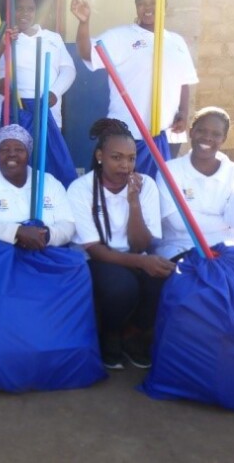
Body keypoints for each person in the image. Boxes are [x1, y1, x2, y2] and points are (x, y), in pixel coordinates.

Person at [67, 118, 174, 370]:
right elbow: (93, 248)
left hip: (134, 253)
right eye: (117, 157)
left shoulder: (144, 185)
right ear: (100, 156)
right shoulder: (81, 189)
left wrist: (134, 203)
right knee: (121, 287)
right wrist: (140, 262)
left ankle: (133, 332)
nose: (125, 165)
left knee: (164, 280)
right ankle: (110, 332)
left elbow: (140, 244)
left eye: (131, 158)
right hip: (97, 258)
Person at [70, 0, 199, 177]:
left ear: (164, 5)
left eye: (154, 2)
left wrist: (183, 112)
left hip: (166, 131)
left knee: (159, 191)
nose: (148, 8)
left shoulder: (176, 42)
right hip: (128, 134)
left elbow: (184, 80)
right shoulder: (121, 37)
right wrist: (84, 23)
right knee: (123, 191)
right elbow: (87, 53)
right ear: (136, 6)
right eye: (142, 3)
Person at [155, 107, 234, 260]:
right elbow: (179, 223)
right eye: (201, 131)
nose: (208, 138)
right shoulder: (170, 171)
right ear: (191, 132)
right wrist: (227, 223)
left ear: (224, 139)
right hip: (184, 249)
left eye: (216, 134)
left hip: (233, 249)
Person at [0, 0, 76, 135]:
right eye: (19, 8)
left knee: (44, 157)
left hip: (47, 116)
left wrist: (55, 92)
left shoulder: (53, 38)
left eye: (30, 9)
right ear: (9, 9)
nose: (25, 14)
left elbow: (68, 69)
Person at [0, 125, 74, 248]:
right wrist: (18, 232)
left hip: (46, 252)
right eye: (4, 150)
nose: (12, 154)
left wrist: (45, 235)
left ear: (28, 154)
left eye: (19, 150)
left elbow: (68, 224)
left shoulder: (49, 182)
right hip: (2, 257)